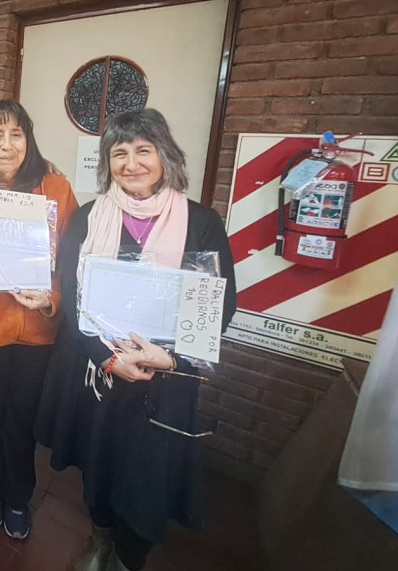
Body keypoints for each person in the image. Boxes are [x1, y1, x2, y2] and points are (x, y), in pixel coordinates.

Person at [35, 109, 237, 571]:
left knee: (146, 476)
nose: (131, 163)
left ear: (164, 155)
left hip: (163, 381)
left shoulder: (201, 222)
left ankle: (130, 558)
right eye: (119, 153)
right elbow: (74, 298)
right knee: (98, 463)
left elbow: (217, 307)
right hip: (100, 374)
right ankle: (100, 538)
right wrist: (107, 359)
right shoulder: (89, 218)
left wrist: (168, 358)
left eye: (143, 150)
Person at [0, 100, 77, 539]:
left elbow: (72, 260)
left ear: (28, 138)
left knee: (23, 416)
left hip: (37, 329)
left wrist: (52, 298)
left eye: (16, 134)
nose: (7, 145)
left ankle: (18, 493)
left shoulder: (56, 188)